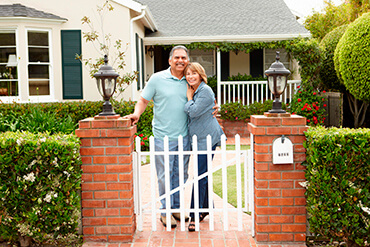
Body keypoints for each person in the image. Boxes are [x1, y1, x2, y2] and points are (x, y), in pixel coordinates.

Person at [125, 46, 218, 228]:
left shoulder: (190, 80)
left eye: (184, 57)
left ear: (187, 60)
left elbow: (206, 99)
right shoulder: (157, 79)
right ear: (170, 60)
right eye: (177, 57)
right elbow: (143, 100)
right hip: (162, 137)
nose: (180, 61)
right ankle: (165, 211)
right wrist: (137, 114)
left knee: (180, 175)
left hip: (184, 136)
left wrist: (215, 107)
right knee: (164, 175)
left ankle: (176, 207)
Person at [184, 62, 225, 232]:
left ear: (201, 74)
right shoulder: (196, 90)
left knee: (200, 175)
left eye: (194, 73)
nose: (190, 76)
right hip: (199, 138)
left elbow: (193, 112)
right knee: (203, 173)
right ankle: (206, 207)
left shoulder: (205, 91)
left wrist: (188, 98)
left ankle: (194, 215)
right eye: (188, 74)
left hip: (208, 139)